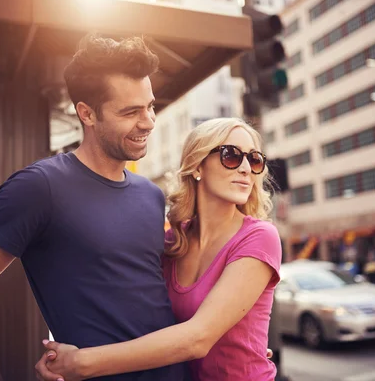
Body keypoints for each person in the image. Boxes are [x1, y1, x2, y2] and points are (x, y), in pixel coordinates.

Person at [0, 33, 188, 381]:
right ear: (86, 114)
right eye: (131, 112)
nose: (148, 122)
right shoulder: (40, 187)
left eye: (150, 106)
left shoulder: (150, 195)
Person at [35, 117, 283, 381]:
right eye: (231, 155)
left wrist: (81, 364)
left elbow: (197, 338)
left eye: (254, 159)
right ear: (198, 165)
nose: (245, 168)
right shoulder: (172, 243)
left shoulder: (259, 236)